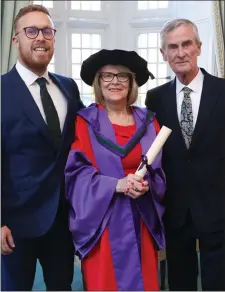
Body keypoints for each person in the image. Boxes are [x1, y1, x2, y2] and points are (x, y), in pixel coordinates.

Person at [65, 49, 166, 290]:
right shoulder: (85, 121)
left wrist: (147, 183)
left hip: (142, 220)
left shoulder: (149, 121)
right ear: (98, 82)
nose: (115, 82)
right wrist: (116, 184)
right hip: (103, 223)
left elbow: (159, 170)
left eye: (122, 76)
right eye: (107, 76)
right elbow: (76, 173)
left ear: (132, 82)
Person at [1, 4, 84, 291]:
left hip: (63, 219)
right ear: (16, 40)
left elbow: (89, 138)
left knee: (63, 286)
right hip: (14, 223)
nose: (40, 38)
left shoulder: (68, 88)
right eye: (31, 31)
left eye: (47, 31)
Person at [145, 18, 225, 291]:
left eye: (186, 44)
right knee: (180, 283)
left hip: (218, 208)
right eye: (173, 46)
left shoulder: (223, 92)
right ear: (163, 54)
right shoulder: (154, 99)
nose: (180, 52)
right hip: (175, 210)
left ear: (199, 47)